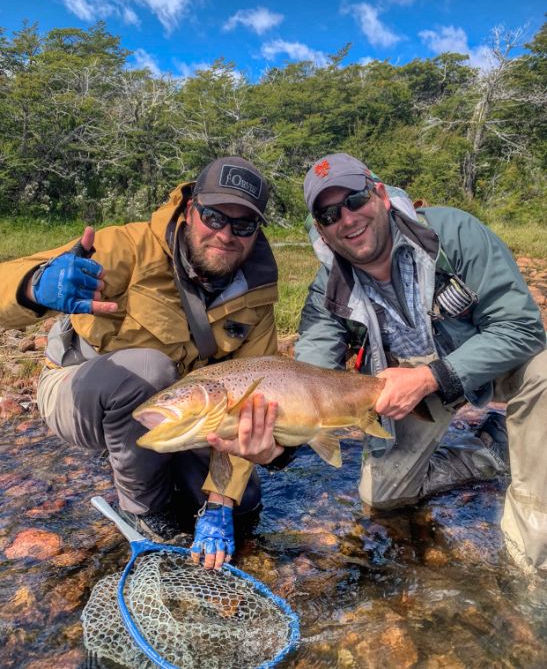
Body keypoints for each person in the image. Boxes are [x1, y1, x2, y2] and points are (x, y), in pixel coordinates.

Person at [0, 156, 281, 570]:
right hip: (80, 390)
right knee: (151, 371)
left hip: (178, 408)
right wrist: (34, 286)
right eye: (214, 216)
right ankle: (142, 509)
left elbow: (245, 411)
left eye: (243, 225)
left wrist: (220, 503)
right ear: (189, 211)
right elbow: (10, 278)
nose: (225, 234)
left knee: (246, 501)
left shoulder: (257, 299)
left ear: (256, 232)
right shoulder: (126, 247)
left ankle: (164, 471)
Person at [291, 152, 546, 575]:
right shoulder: (327, 289)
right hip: (404, 390)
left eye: (355, 200)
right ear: (321, 228)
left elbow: (522, 327)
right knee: (384, 498)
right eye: (330, 213)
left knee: (542, 371)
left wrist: (432, 377)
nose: (347, 219)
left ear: (380, 196)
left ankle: (529, 563)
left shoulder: (454, 234)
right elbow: (307, 374)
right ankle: (491, 450)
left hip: (484, 362)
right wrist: (272, 433)